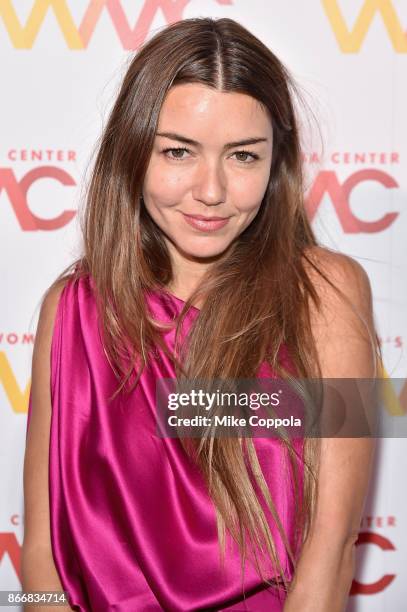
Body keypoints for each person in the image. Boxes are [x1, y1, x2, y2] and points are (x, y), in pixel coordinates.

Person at [21, 16, 381, 612]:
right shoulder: (71, 310)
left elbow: (331, 549)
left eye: (243, 156)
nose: (210, 190)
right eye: (178, 151)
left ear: (276, 164)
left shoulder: (326, 293)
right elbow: (41, 561)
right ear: (132, 153)